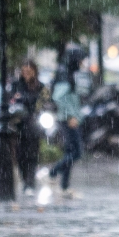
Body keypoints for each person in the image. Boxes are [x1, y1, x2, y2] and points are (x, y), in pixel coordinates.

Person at [9, 60, 50, 195]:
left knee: (32, 154)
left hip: (33, 125)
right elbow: (11, 100)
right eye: (24, 71)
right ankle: (25, 180)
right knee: (20, 155)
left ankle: (29, 183)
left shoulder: (40, 87)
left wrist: (24, 99)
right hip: (19, 125)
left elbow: (44, 102)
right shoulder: (16, 85)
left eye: (29, 71)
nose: (26, 74)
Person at [48, 67, 84, 198]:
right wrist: (70, 115)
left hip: (72, 119)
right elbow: (58, 97)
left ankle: (64, 186)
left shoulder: (72, 75)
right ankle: (52, 173)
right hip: (68, 120)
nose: (83, 63)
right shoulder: (66, 76)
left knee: (70, 153)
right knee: (76, 153)